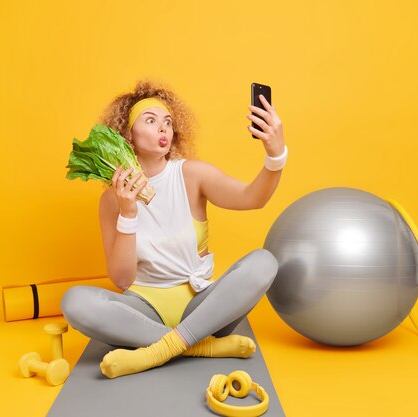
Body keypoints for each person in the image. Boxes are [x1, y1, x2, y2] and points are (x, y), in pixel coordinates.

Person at [61, 79, 287, 379]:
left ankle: (158, 350)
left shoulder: (192, 174)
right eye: (151, 121)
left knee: (264, 262)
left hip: (203, 306)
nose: (163, 128)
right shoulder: (111, 200)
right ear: (128, 134)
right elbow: (121, 278)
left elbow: (252, 198)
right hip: (143, 310)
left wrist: (276, 155)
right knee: (74, 301)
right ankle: (200, 346)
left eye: (167, 122)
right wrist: (128, 212)